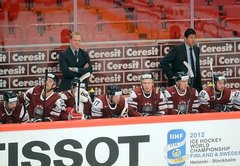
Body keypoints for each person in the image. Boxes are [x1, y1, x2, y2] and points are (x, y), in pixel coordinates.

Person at [160, 28, 202, 92]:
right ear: (185, 39)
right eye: (191, 37)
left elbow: (196, 67)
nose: (193, 40)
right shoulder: (178, 49)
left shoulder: (197, 49)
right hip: (180, 83)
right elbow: (163, 62)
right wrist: (171, 76)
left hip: (194, 82)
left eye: (194, 37)